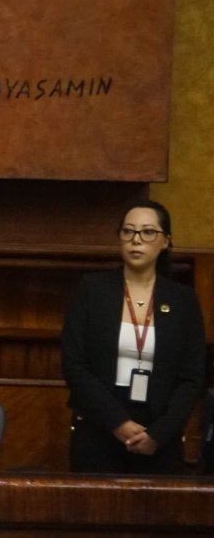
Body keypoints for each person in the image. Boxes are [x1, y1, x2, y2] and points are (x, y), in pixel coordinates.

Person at [61, 200, 206, 474]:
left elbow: (192, 376)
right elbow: (74, 365)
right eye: (128, 231)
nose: (136, 240)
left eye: (148, 232)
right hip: (99, 427)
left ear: (166, 241)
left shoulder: (183, 300)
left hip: (159, 433)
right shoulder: (92, 290)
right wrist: (118, 423)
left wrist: (160, 434)